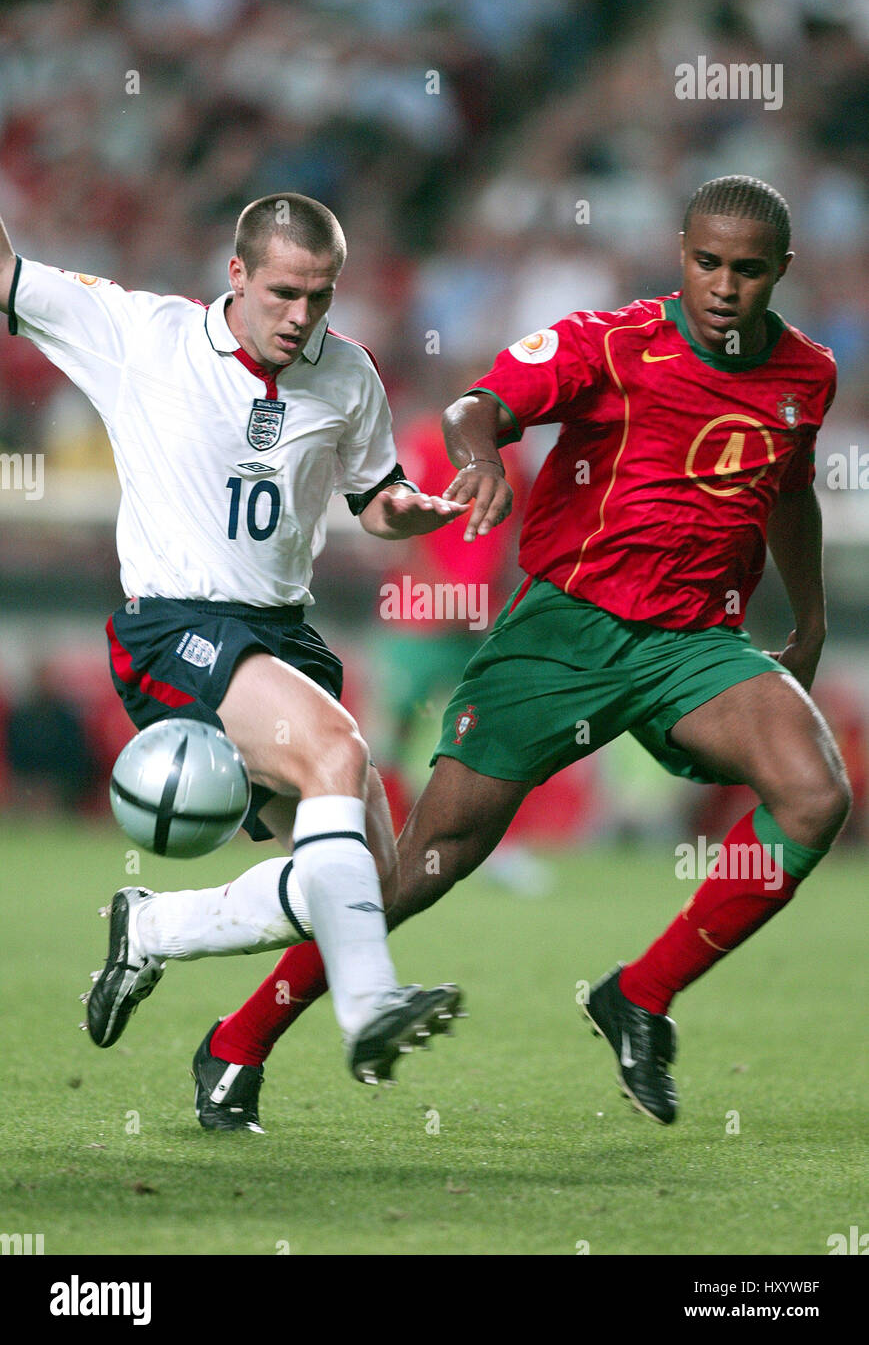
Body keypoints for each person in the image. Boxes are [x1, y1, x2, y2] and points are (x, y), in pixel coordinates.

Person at [55, 174, 853, 1134]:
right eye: (707, 263)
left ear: (781, 272)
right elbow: (480, 405)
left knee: (815, 795)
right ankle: (239, 1041)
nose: (724, 286)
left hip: (693, 642)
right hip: (561, 637)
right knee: (413, 866)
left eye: (748, 270)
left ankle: (639, 997)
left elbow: (792, 490)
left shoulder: (806, 374)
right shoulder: (611, 341)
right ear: (680, 253)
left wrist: (806, 619)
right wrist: (479, 457)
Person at [0, 192, 469, 1122]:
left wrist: (401, 512)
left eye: (321, 297)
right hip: (175, 626)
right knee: (338, 753)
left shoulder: (347, 375)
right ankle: (371, 1006)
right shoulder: (143, 335)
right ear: (238, 275)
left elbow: (372, 495)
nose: (302, 317)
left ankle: (158, 928)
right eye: (285, 293)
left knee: (370, 880)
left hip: (284, 635)